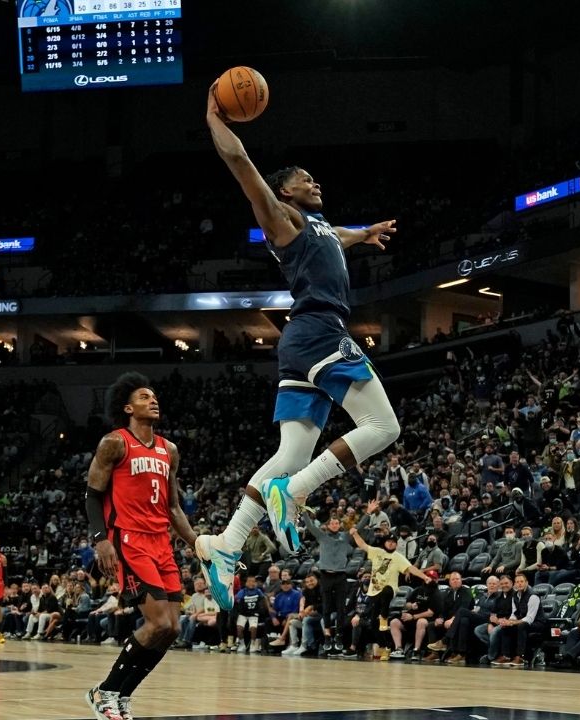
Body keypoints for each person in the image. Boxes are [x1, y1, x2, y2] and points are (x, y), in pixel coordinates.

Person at [197, 87, 403, 611]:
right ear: (284, 193)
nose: (315, 181)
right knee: (383, 428)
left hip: (300, 343)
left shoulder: (315, 225)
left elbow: (337, 234)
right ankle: (294, 492)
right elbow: (240, 160)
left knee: (290, 453)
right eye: (304, 178)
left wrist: (366, 232)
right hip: (320, 331)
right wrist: (213, 117)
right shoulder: (280, 218)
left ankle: (226, 544)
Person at [84, 372, 198, 720]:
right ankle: (104, 691)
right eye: (145, 397)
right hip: (130, 540)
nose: (153, 400)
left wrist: (198, 544)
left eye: (154, 396)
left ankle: (120, 695)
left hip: (161, 541)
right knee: (158, 623)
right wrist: (101, 540)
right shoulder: (114, 443)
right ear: (128, 407)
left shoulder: (169, 450)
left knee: (173, 629)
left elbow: (174, 507)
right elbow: (92, 494)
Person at [302, 512, 353, 654]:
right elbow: (310, 526)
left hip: (341, 576)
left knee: (341, 608)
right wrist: (305, 512)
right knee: (326, 608)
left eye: (337, 523)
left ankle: (339, 637)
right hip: (325, 575)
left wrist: (367, 513)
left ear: (339, 525)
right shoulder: (322, 536)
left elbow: (359, 527)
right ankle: (327, 637)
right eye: (332, 523)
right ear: (328, 525)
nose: (335, 525)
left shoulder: (345, 536)